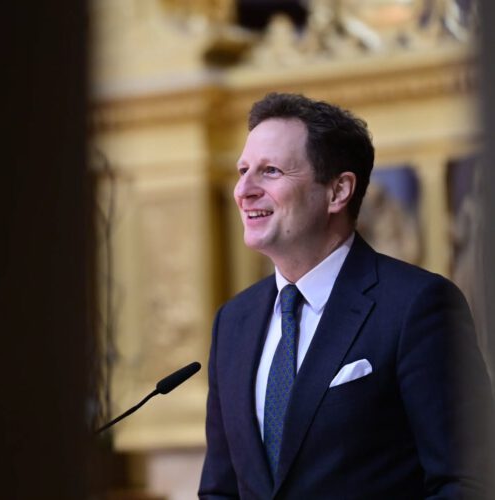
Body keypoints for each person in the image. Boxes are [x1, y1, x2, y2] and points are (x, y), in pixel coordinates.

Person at [198, 92, 493, 499]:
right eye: (243, 170)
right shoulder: (233, 321)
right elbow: (220, 490)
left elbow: (465, 482)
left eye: (270, 171)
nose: (243, 190)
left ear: (338, 191)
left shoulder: (418, 306)